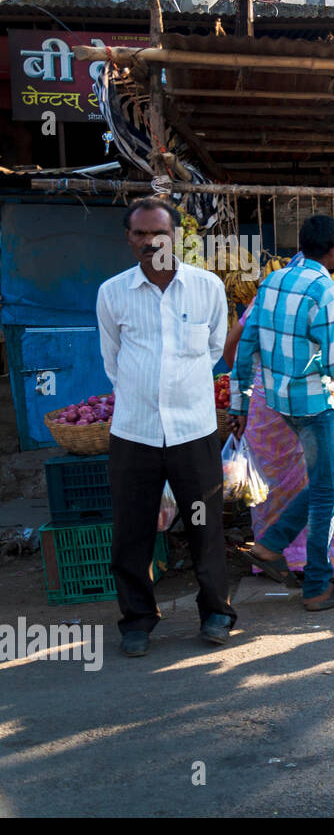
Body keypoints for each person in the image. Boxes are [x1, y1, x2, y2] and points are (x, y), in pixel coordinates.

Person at [230, 215, 334, 610]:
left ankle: (272, 545)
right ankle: (318, 588)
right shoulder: (328, 291)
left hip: (275, 401)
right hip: (312, 406)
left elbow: (245, 348)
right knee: (326, 491)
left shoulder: (272, 281)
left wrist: (238, 404)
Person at [96, 197, 236, 656]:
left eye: (159, 232)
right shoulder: (112, 293)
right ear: (127, 239)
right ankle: (137, 619)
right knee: (133, 530)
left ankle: (216, 611)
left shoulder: (207, 287)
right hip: (134, 433)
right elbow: (113, 362)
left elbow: (215, 348)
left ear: (176, 236)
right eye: (139, 233)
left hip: (193, 432)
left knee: (205, 525)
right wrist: (147, 395)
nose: (149, 241)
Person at [224, 312, 334, 581]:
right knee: (327, 473)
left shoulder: (262, 302)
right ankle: (305, 564)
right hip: (301, 398)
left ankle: (278, 554)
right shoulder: (313, 298)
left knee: (274, 483)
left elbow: (230, 348)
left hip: (262, 400)